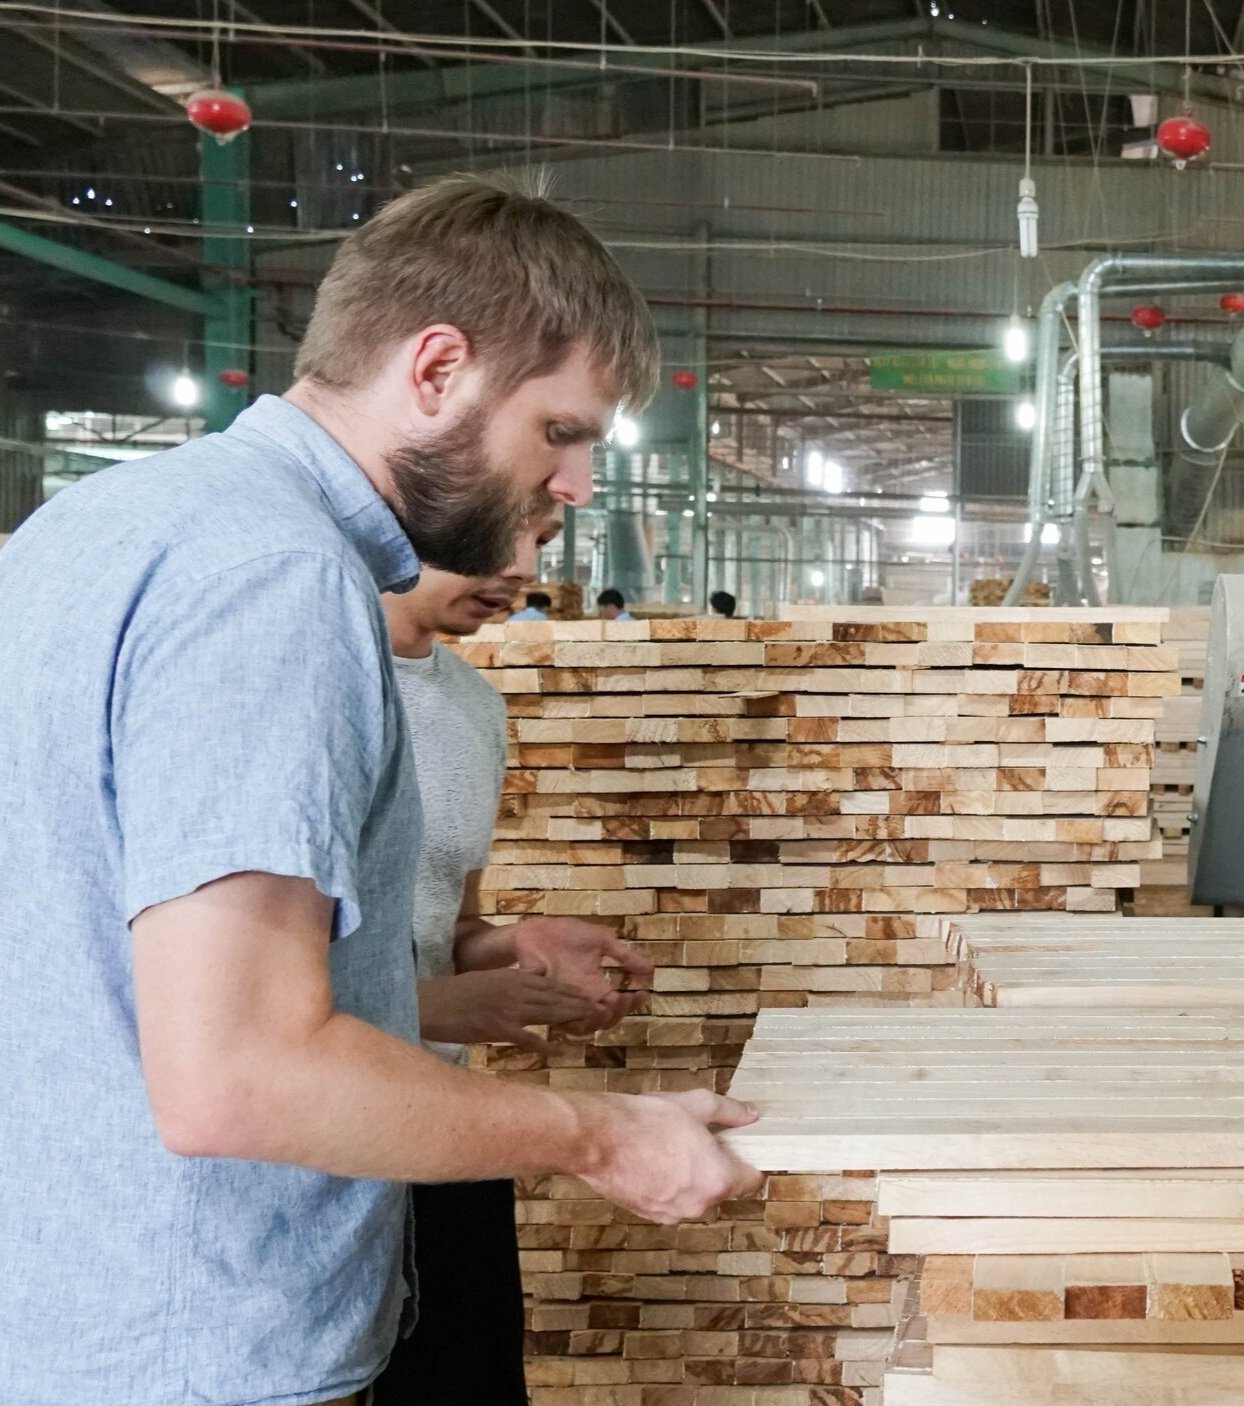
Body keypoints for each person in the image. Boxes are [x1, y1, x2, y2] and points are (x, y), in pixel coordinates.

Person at [0, 173, 760, 1406]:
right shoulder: (274, 579)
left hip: (59, 1309)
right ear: (437, 367)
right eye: (560, 431)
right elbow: (239, 1070)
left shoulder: (88, 528)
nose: (572, 486)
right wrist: (599, 1132)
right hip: (196, 1347)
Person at [376, 515, 633, 1406]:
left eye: (539, 539)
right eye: (494, 537)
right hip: (309, 1143)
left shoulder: (473, 707)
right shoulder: (299, 691)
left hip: (441, 1136)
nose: (521, 570)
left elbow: (449, 927)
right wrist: (443, 1007)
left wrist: (520, 946)